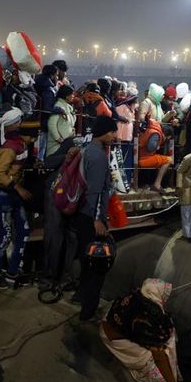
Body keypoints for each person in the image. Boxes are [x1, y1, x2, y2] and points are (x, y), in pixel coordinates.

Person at [99, 279, 190, 382]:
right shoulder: (149, 318)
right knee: (152, 357)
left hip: (107, 326)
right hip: (115, 340)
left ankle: (169, 378)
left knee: (166, 339)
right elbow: (159, 355)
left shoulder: (136, 296)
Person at [75, 115, 117, 320]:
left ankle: (80, 296)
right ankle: (88, 311)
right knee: (97, 262)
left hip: (80, 211)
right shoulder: (99, 156)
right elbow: (97, 191)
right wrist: (98, 219)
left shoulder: (85, 149)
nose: (114, 135)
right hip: (91, 215)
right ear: (103, 132)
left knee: (85, 258)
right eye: (111, 131)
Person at [0, 108, 32, 289]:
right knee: (6, 236)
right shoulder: (9, 147)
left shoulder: (19, 144)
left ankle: (13, 272)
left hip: (14, 194)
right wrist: (17, 187)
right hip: (6, 195)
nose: (21, 124)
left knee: (23, 231)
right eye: (18, 121)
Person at [40, 136, 79, 289]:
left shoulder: (95, 148)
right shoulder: (73, 142)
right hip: (56, 192)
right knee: (54, 236)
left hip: (75, 196)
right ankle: (48, 278)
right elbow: (49, 161)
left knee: (73, 237)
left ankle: (66, 277)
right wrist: (67, 155)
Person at [139, 116, 173, 192]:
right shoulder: (156, 134)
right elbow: (150, 147)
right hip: (144, 158)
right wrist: (157, 146)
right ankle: (157, 184)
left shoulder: (152, 130)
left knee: (164, 159)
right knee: (169, 160)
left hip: (142, 156)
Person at [115, 95, 138, 184]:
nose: (136, 105)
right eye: (135, 103)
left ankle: (126, 182)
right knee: (121, 160)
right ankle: (121, 182)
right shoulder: (122, 108)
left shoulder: (131, 110)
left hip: (128, 139)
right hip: (122, 139)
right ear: (131, 103)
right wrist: (119, 138)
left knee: (127, 161)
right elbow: (119, 124)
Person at [47, 85, 75, 156]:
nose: (73, 96)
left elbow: (70, 123)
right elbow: (51, 124)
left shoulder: (68, 107)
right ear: (67, 96)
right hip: (57, 147)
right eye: (72, 94)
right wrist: (58, 138)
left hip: (65, 144)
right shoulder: (59, 106)